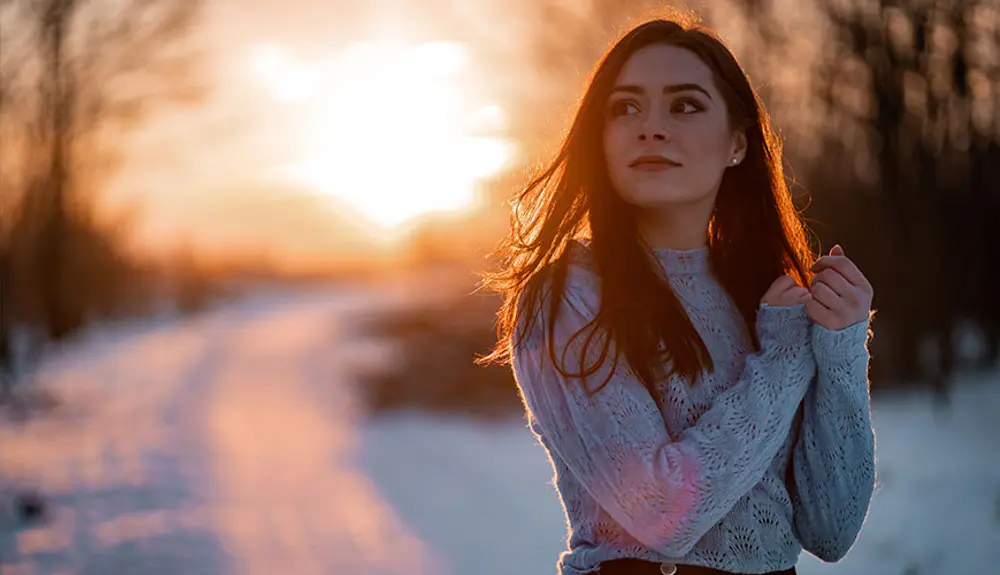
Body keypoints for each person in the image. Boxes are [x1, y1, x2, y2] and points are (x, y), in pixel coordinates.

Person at [478, 13, 876, 575]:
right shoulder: (565, 296)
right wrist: (784, 358)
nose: (651, 127)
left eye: (685, 105)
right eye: (626, 107)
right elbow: (664, 513)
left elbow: (831, 530)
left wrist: (839, 349)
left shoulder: (767, 297)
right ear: (603, 140)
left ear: (737, 142)